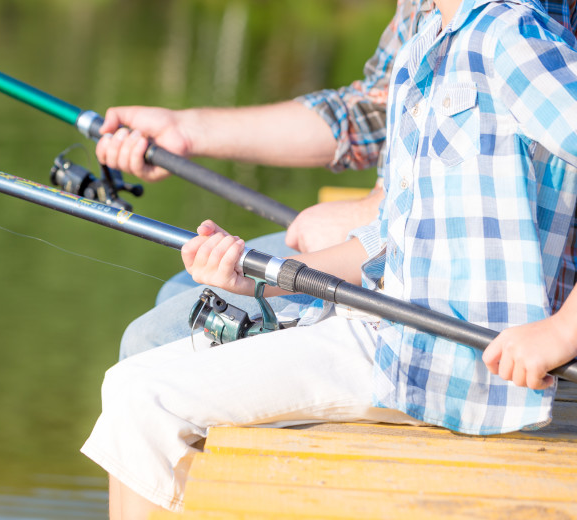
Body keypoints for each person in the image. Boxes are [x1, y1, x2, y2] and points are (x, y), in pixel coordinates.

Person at [83, 0, 577, 517]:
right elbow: (385, 241)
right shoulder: (427, 42)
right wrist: (254, 278)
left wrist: (562, 331)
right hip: (379, 329)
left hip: (444, 363)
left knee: (145, 400)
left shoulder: (511, 37)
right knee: (127, 385)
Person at [97, 0, 577, 359]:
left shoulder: (517, 29)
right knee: (184, 290)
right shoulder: (434, 14)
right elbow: (372, 107)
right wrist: (186, 131)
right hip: (389, 248)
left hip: (474, 296)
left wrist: (373, 215)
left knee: (153, 340)